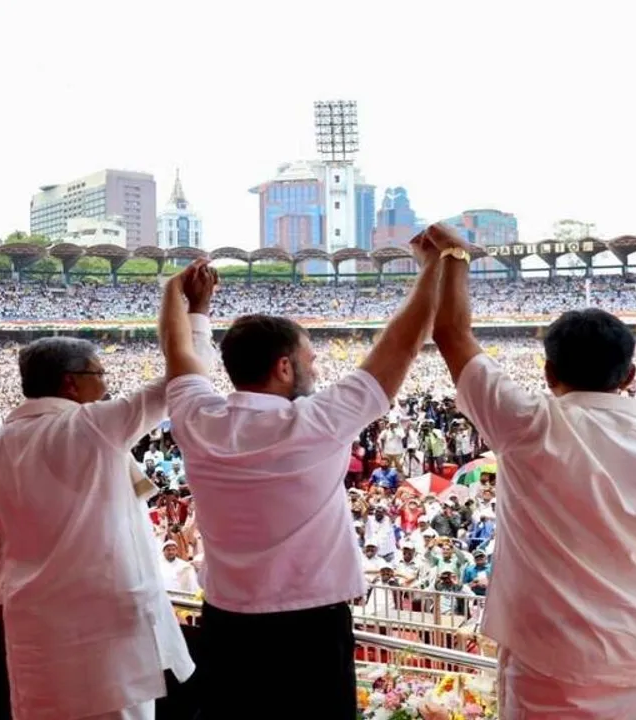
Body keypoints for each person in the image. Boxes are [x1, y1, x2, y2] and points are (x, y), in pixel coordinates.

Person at [426, 228, 636, 719]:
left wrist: (454, 256)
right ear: (630, 377)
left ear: (548, 374)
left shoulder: (525, 424)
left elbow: (451, 334)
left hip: (543, 659)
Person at [159, 234, 444, 718]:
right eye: (310, 358)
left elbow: (178, 352)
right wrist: (435, 266)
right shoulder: (317, 421)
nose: (316, 367)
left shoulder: (197, 418)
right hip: (310, 629)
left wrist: (181, 297)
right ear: (284, 366)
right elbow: (402, 343)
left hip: (227, 624)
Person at [0, 268, 213, 720]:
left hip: (33, 631)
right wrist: (193, 308)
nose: (106, 384)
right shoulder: (92, 427)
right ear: (70, 383)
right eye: (99, 373)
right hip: (106, 630)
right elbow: (185, 379)